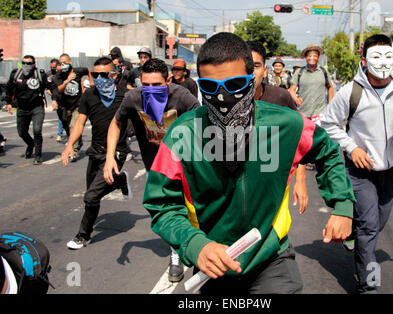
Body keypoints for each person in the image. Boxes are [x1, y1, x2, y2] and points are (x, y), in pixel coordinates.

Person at [142, 32, 356, 294]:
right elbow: (161, 203)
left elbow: (328, 151)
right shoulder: (182, 135)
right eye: (210, 88)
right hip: (214, 263)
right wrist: (196, 245)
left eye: (234, 85)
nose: (222, 97)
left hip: (271, 258)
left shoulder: (286, 125)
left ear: (252, 80)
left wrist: (342, 206)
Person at [320, 34, 393, 293]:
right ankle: (369, 286)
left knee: (376, 223)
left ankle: (354, 233)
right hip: (360, 172)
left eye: (388, 56)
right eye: (376, 57)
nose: (383, 62)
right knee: (369, 229)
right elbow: (329, 124)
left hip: (391, 171)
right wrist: (352, 147)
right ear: (364, 60)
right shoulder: (351, 92)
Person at [104, 58, 200, 282]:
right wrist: (110, 157)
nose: (150, 90)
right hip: (155, 165)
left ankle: (200, 244)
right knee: (168, 210)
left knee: (193, 209)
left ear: (168, 80)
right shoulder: (133, 97)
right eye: (145, 85)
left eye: (156, 85)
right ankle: (176, 254)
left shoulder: (183, 97)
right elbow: (116, 122)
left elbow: (203, 124)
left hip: (185, 163)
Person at [61, 57, 132, 250]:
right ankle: (120, 181)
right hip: (96, 152)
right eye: (95, 75)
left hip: (117, 152)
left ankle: (83, 236)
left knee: (91, 196)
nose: (99, 78)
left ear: (114, 75)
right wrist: (69, 145)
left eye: (104, 74)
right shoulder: (90, 95)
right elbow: (80, 123)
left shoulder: (125, 96)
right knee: (92, 196)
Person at [247, 40, 309, 213]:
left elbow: (301, 137)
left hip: (273, 183)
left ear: (265, 70)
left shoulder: (280, 98)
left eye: (256, 66)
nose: (250, 72)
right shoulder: (224, 99)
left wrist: (301, 179)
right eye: (245, 65)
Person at [5, 55, 53, 165]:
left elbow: (51, 86)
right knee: (21, 132)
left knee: (37, 131)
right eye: (24, 63)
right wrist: (8, 103)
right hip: (22, 108)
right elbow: (9, 88)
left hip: (37, 107)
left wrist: (54, 99)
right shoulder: (15, 74)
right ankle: (30, 144)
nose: (26, 66)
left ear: (34, 64)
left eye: (29, 63)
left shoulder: (40, 75)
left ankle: (38, 155)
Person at [53, 53, 92, 162]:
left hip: (78, 104)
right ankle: (78, 142)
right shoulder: (59, 75)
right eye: (61, 63)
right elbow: (59, 90)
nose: (63, 65)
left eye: (65, 62)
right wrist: (68, 80)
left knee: (73, 125)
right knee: (68, 126)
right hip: (65, 106)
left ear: (70, 62)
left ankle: (74, 151)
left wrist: (91, 82)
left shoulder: (78, 71)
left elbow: (88, 69)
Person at [289, 44, 335, 124]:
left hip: (320, 114)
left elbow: (330, 87)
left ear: (318, 58)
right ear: (306, 58)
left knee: (318, 135)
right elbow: (291, 90)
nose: (312, 58)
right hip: (303, 113)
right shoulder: (299, 72)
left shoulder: (323, 71)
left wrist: (329, 103)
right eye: (309, 56)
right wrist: (296, 99)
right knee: (305, 136)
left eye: (315, 56)